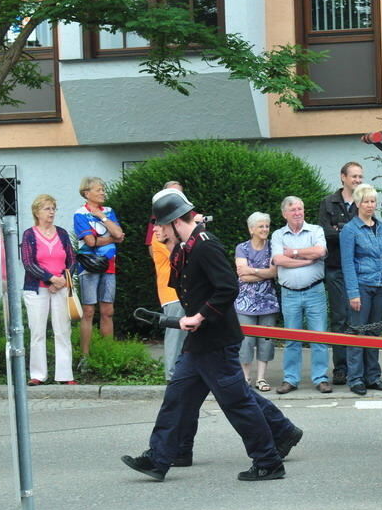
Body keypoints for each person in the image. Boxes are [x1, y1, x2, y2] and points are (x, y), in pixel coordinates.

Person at [122, 190, 302, 482]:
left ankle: (268, 461)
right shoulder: (185, 247)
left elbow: (228, 287)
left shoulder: (205, 245)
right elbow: (188, 288)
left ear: (175, 222)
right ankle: (159, 457)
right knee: (177, 397)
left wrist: (200, 316)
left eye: (161, 225)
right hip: (200, 341)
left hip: (217, 340)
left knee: (237, 402)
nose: (157, 230)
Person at [271, 196, 332, 394]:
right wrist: (306, 260)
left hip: (315, 292)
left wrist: (294, 252)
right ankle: (290, 379)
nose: (297, 213)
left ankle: (321, 378)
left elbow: (320, 251)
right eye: (293, 210)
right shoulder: (278, 235)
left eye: (300, 209)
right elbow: (279, 260)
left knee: (319, 337)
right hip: (289, 294)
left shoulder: (316, 230)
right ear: (284, 214)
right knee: (291, 339)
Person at [341, 184, 382, 396]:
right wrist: (353, 293)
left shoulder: (381, 227)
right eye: (366, 201)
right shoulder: (350, 230)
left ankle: (372, 376)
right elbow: (347, 263)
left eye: (373, 201)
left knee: (374, 332)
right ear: (357, 203)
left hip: (381, 286)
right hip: (362, 286)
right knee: (357, 331)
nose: (370, 205)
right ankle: (355, 378)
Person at [21, 195, 76, 385]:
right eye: (47, 209)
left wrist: (61, 280)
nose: (51, 212)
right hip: (37, 289)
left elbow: (72, 259)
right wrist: (50, 278)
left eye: (53, 208)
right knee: (37, 332)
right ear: (37, 212)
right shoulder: (29, 234)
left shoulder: (61, 233)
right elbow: (28, 263)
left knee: (63, 331)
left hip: (61, 287)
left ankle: (65, 375)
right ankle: (38, 375)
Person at [319, 162, 363, 385]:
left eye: (360, 177)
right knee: (339, 319)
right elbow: (325, 233)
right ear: (343, 177)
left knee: (358, 319)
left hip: (357, 270)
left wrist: (341, 229)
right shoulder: (328, 202)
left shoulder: (363, 201)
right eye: (354, 176)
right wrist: (350, 231)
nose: (358, 180)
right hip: (335, 269)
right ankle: (340, 368)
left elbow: (365, 233)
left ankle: (358, 369)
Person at [74, 177, 125, 359]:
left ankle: (107, 354)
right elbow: (90, 241)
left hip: (109, 266)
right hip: (89, 266)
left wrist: (102, 217)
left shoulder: (109, 211)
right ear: (87, 193)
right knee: (88, 311)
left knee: (108, 311)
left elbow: (119, 233)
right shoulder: (80, 214)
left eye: (103, 189)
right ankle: (85, 357)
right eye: (99, 190)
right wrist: (112, 238)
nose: (103, 192)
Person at [234, 212, 280, 391]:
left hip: (268, 303)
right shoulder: (242, 247)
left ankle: (261, 378)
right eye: (261, 226)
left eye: (267, 226)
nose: (265, 229)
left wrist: (252, 270)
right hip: (245, 303)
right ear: (251, 229)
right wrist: (263, 272)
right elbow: (242, 276)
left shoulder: (273, 247)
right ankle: (245, 377)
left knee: (266, 341)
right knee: (246, 341)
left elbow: (273, 272)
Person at [149, 219, 184, 381]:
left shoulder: (176, 237)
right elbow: (179, 257)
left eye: (158, 224)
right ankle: (172, 376)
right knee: (175, 336)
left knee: (185, 337)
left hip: (182, 294)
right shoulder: (159, 237)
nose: (154, 229)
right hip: (172, 295)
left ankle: (182, 375)